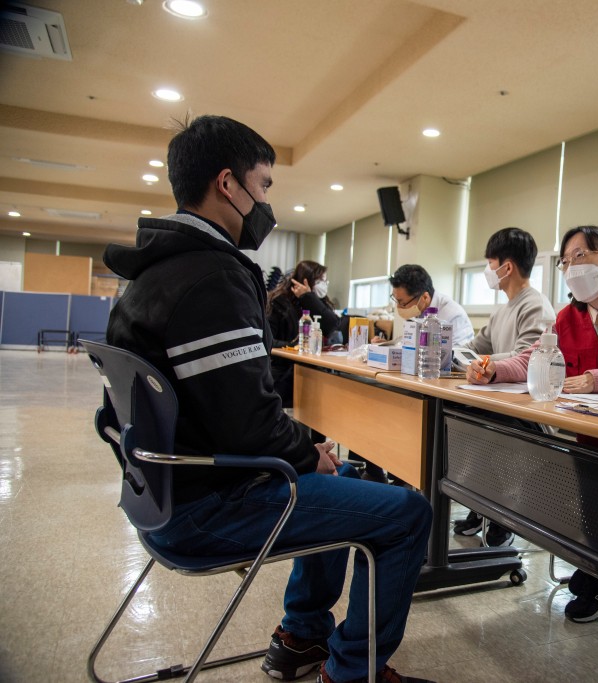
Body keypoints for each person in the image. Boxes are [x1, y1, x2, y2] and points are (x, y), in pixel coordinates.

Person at [103, 115, 433, 683]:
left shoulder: (149, 275)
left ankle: (302, 636)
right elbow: (247, 426)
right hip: (206, 508)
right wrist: (307, 453)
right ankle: (355, 671)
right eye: (264, 185)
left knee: (343, 474)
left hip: (163, 496)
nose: (266, 200)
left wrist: (309, 453)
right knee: (408, 512)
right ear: (228, 184)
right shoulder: (211, 278)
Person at [467, 224, 598, 622]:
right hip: (591, 432)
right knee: (584, 478)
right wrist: (491, 370)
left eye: (580, 257)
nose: (571, 268)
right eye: (565, 262)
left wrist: (597, 379)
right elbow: (531, 356)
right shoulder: (567, 318)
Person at [451, 227, 556, 547]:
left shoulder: (535, 306)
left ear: (506, 267)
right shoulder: (502, 311)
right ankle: (481, 504)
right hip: (497, 403)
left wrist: (479, 361)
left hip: (526, 412)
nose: (487, 271)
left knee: (471, 430)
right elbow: (472, 347)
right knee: (455, 418)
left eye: (489, 263)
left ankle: (498, 510)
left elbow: (527, 359)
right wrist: (452, 354)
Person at [267, 260, 348, 406]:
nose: (324, 284)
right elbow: (268, 340)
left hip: (313, 371)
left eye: (325, 280)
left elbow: (333, 325)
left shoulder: (318, 301)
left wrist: (309, 298)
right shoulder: (279, 302)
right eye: (320, 280)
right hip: (284, 371)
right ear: (307, 280)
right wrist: (292, 346)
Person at [376, 264, 474, 345]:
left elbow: (459, 356)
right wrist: (389, 346)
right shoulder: (418, 312)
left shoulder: (453, 315)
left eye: (403, 303)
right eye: (396, 300)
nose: (398, 307)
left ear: (425, 297)